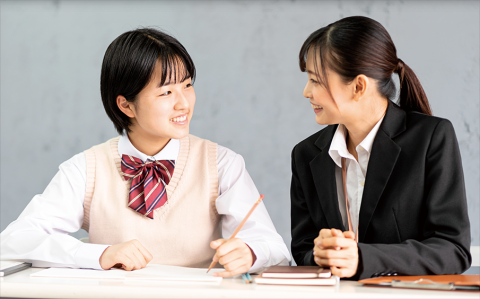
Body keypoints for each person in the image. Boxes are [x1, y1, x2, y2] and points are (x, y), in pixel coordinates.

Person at [0, 28, 290, 277]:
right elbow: (13, 241)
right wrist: (98, 255)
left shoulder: (221, 163)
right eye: (166, 93)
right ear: (126, 105)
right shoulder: (86, 168)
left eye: (187, 85)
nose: (183, 104)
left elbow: (276, 249)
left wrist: (250, 253)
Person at [290, 16, 471, 280]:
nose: (307, 91)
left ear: (359, 86)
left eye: (316, 80)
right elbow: (303, 248)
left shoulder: (432, 138)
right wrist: (320, 254)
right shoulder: (306, 154)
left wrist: (362, 259)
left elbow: (453, 250)